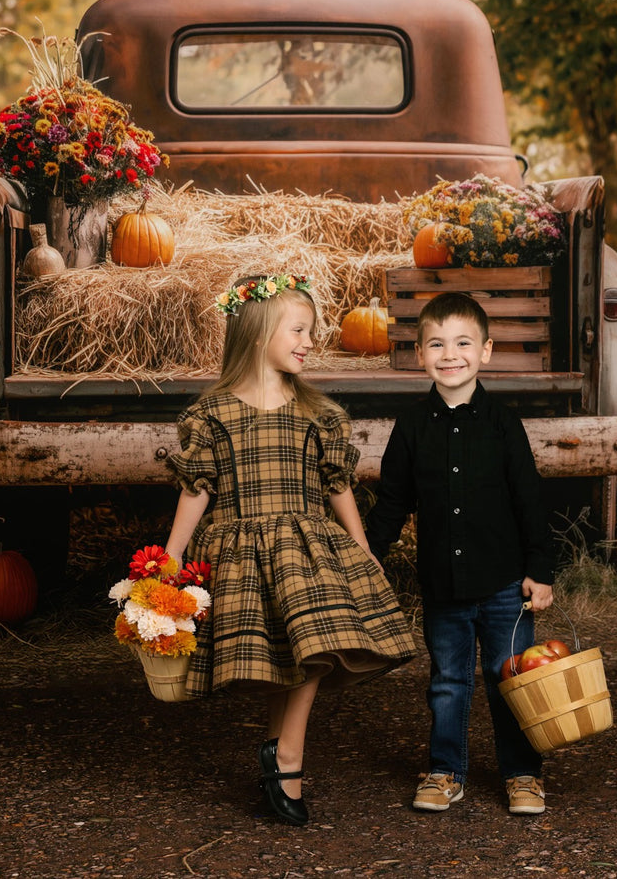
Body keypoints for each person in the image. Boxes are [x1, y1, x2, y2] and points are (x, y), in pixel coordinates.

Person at [162, 273, 415, 827]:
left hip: (307, 545)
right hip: (244, 549)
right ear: (257, 334)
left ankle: (287, 754)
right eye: (297, 331)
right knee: (288, 654)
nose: (308, 342)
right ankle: (279, 753)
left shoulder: (317, 414)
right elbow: (196, 487)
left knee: (317, 645)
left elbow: (337, 485)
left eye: (310, 332)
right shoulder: (214, 414)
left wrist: (361, 544)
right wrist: (173, 555)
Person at [364, 291, 555, 816]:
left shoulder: (503, 425)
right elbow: (393, 502)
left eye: (463, 342)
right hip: (443, 586)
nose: (451, 354)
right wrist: (369, 554)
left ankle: (522, 774)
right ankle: (446, 771)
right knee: (447, 682)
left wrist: (540, 571)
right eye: (437, 344)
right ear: (420, 354)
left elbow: (529, 501)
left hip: (503, 585)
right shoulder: (411, 427)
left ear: (486, 351)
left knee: (510, 678)